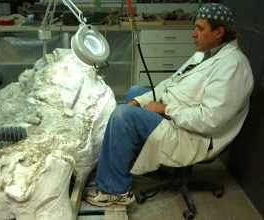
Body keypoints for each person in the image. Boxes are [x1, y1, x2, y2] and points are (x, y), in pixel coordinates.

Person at [85, 3, 254, 207]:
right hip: (182, 116)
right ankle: (122, 160)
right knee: (135, 92)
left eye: (200, 29)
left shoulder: (233, 66)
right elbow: (172, 82)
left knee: (123, 116)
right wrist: (140, 101)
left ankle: (115, 191)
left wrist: (165, 109)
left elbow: (210, 121)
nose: (193, 34)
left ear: (219, 32)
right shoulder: (206, 53)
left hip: (195, 136)